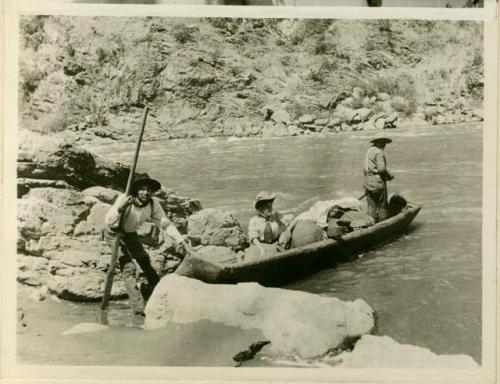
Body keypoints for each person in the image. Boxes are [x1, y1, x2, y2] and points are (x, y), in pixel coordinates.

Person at [103, 176, 190, 316]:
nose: (145, 193)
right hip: (114, 233)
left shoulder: (153, 203)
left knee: (144, 258)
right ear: (136, 191)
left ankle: (156, 289)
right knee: (128, 267)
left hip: (130, 233)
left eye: (149, 190)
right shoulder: (126, 199)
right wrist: (120, 208)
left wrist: (181, 241)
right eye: (142, 189)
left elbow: (165, 223)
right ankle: (138, 307)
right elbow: (109, 220)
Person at [247, 191, 293, 258]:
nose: (269, 209)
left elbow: (287, 221)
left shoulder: (276, 216)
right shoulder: (254, 220)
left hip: (276, 245)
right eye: (266, 207)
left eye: (270, 206)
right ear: (260, 208)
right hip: (260, 246)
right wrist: (261, 250)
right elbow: (254, 238)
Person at [363, 134, 394, 222]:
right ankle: (384, 224)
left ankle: (369, 224)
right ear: (379, 142)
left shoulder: (369, 151)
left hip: (367, 181)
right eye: (384, 143)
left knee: (371, 207)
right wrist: (389, 176)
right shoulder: (378, 152)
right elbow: (381, 169)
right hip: (377, 182)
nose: (385, 145)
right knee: (382, 206)